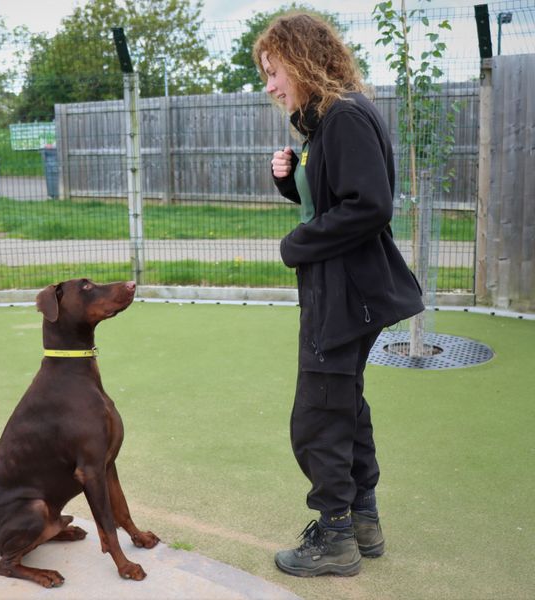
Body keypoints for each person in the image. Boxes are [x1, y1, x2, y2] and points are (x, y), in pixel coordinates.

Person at [252, 12, 424, 577]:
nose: (271, 85)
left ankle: (335, 537)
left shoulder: (344, 117)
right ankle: (363, 519)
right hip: (348, 287)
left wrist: (297, 243)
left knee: (320, 415)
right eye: (267, 74)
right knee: (343, 402)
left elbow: (369, 205)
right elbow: (337, 197)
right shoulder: (331, 118)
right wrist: (290, 181)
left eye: (274, 71)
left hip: (344, 290)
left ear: (303, 58)